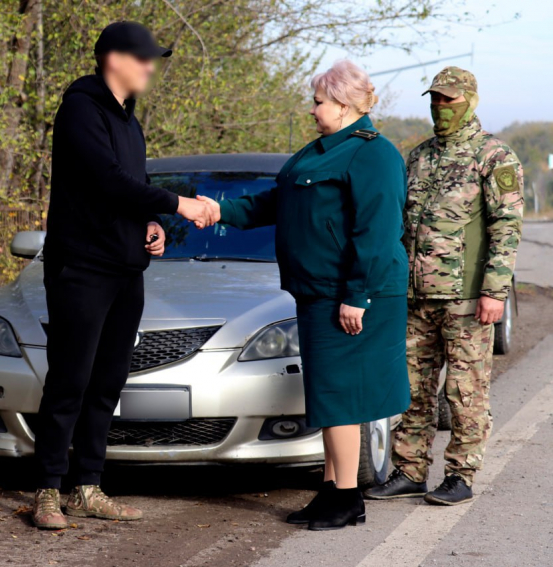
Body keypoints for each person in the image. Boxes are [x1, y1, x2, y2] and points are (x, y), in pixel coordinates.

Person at [200, 60, 410, 530]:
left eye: (318, 102)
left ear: (343, 104)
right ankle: (332, 490)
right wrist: (220, 211)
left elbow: (377, 232)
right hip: (317, 293)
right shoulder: (317, 153)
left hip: (352, 295)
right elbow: (276, 202)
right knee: (328, 397)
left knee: (340, 398)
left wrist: (357, 295)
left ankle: (348, 499)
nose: (312, 110)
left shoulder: (373, 155)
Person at [32, 21, 214, 530]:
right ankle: (47, 490)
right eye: (145, 58)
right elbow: (106, 181)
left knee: (108, 380)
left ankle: (87, 486)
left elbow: (127, 191)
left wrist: (151, 223)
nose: (152, 67)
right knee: (70, 379)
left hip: (124, 269)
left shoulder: (129, 121)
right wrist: (180, 205)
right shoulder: (80, 110)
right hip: (81, 267)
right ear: (115, 58)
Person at [365, 67, 524, 505]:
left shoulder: (494, 157)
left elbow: (506, 227)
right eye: (434, 99)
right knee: (412, 387)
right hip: (416, 298)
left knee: (463, 390)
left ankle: (461, 473)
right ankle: (409, 469)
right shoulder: (418, 157)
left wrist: (494, 291)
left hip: (467, 299)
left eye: (448, 100)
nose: (440, 107)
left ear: (470, 101)